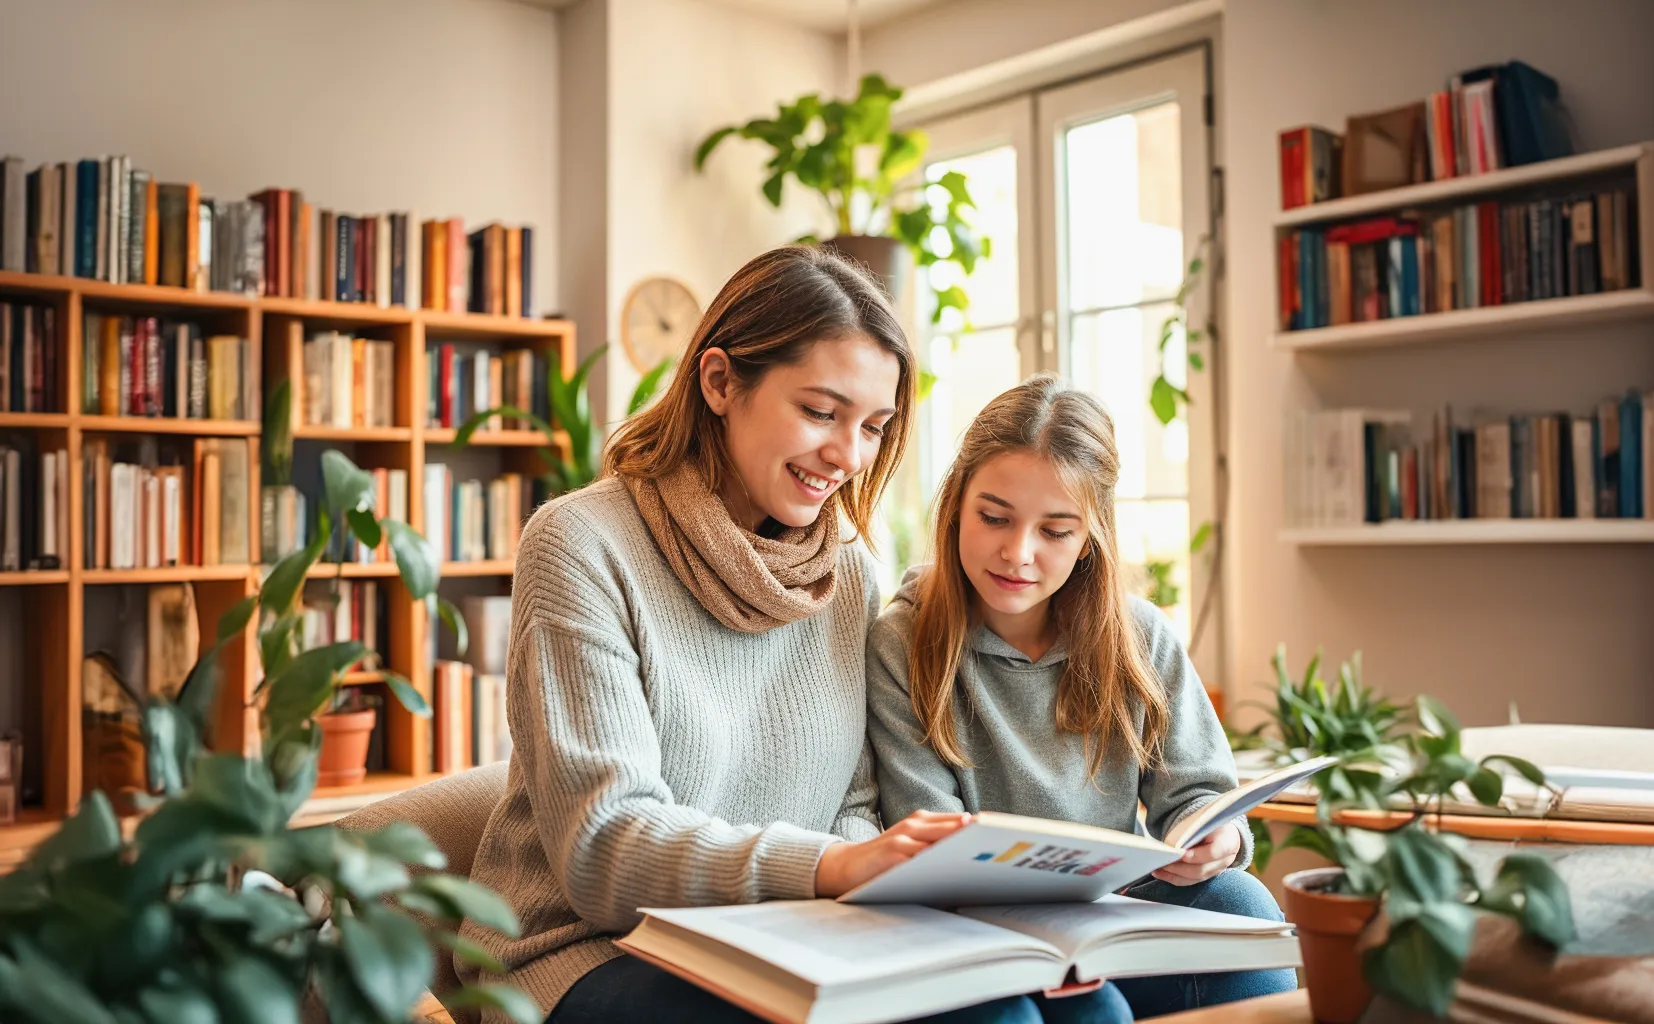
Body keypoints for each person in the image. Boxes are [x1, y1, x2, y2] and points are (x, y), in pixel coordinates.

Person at [458, 246, 1035, 1024]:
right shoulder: (581, 544)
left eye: (873, 427)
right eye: (821, 412)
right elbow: (604, 847)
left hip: (792, 935)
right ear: (720, 381)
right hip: (586, 952)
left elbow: (858, 802)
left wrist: (849, 878)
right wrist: (830, 868)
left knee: (1006, 1013)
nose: (848, 456)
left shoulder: (850, 573)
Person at [867, 374, 1298, 1020]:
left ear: (1091, 536)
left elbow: (1202, 797)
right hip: (980, 929)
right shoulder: (903, 641)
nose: (1019, 553)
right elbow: (928, 841)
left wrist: (1219, 841)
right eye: (994, 517)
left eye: (1056, 531)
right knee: (1096, 1013)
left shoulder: (1138, 636)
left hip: (1117, 916)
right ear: (957, 502)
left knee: (1246, 909)